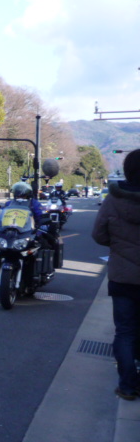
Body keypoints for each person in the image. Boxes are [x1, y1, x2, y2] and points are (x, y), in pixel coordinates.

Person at [92, 149, 140, 401]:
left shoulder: (114, 198)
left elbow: (99, 235)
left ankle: (128, 386)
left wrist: (118, 245)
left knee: (125, 332)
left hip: (123, 277)